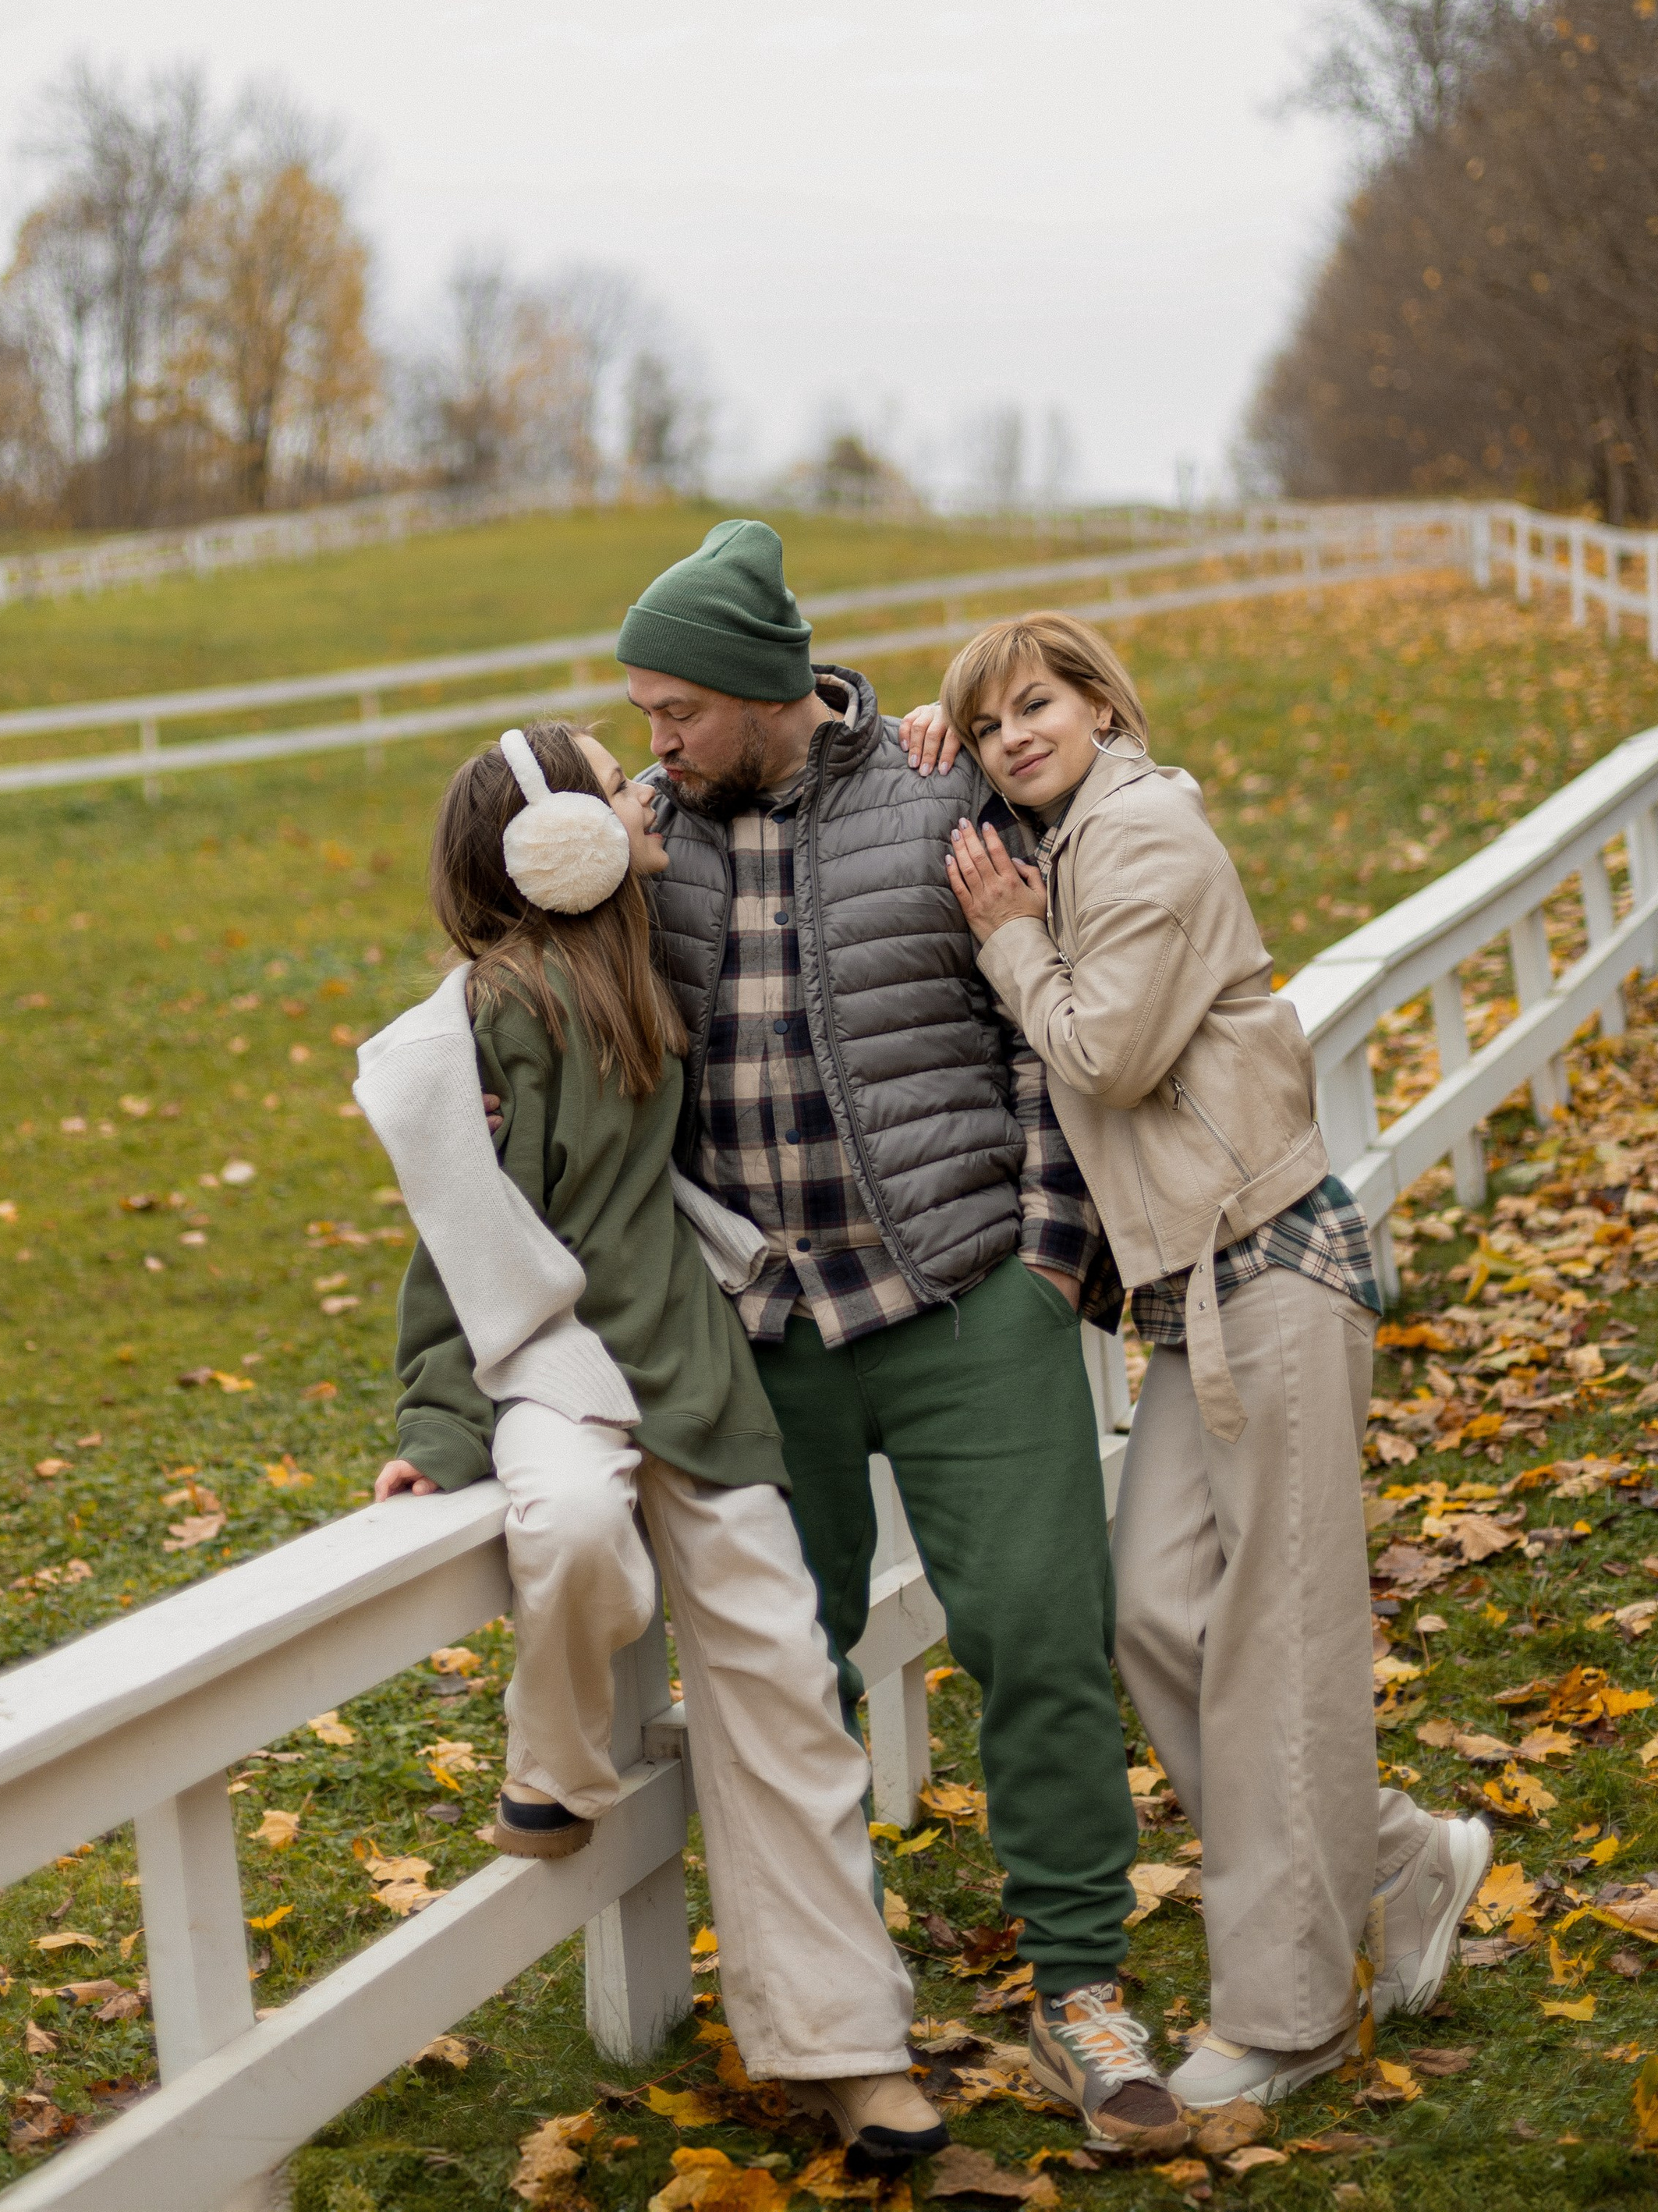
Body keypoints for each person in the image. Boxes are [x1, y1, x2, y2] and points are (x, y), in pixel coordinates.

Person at [611, 522, 1189, 2164]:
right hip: (761, 1339)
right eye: (642, 711)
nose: (655, 734)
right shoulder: (647, 840)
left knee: (1035, 1640)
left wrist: (1039, 1262)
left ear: (760, 684)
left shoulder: (943, 794)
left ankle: (1081, 1987)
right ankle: (842, 2018)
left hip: (960, 1297)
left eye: (676, 707)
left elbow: (1058, 998)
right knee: (784, 1688)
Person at [903, 612, 1492, 2107]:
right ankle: (1405, 1860)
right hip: (1194, 1294)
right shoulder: (1066, 821)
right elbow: (990, 818)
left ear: (1102, 702)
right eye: (989, 726)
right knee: (1160, 1608)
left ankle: (1291, 2015)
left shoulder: (1148, 833)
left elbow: (1106, 1052)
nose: (1012, 738)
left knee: (1279, 1641)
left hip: (1277, 1267)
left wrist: (1006, 940)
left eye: (1036, 704)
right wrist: (919, 734)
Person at [360, 721, 944, 2173]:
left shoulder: (643, 959)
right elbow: (454, 1235)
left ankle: (850, 2050)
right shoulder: (486, 1018)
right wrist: (439, 1425)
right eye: (616, 786)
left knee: (788, 1689)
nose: (644, 796)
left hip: (694, 1363)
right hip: (558, 1368)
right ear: (552, 846)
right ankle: (551, 1765)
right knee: (565, 1536)